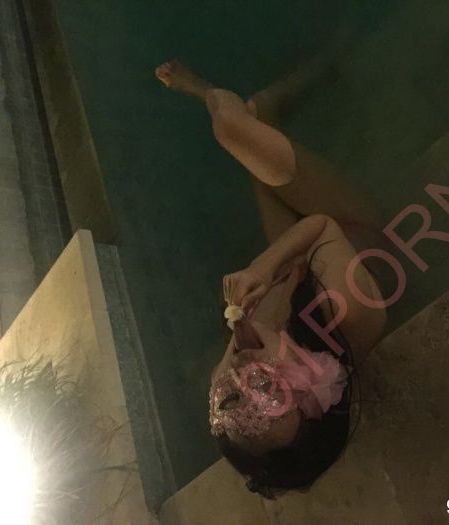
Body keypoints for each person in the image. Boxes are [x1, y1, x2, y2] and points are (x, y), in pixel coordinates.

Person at [155, 56, 387, 498]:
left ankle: (260, 108)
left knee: (256, 150)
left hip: (294, 266)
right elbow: (322, 228)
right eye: (267, 388)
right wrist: (262, 267)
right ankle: (317, 65)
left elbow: (238, 366)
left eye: (230, 398)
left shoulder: (247, 352)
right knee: (238, 127)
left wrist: (259, 294)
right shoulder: (348, 312)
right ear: (318, 389)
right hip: (349, 230)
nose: (242, 371)